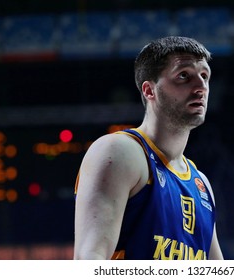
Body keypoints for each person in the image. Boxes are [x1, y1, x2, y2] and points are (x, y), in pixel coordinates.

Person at [74, 36, 223, 260]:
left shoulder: (201, 184)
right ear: (149, 91)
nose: (201, 86)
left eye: (204, 76)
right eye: (184, 76)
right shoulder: (119, 152)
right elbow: (90, 259)